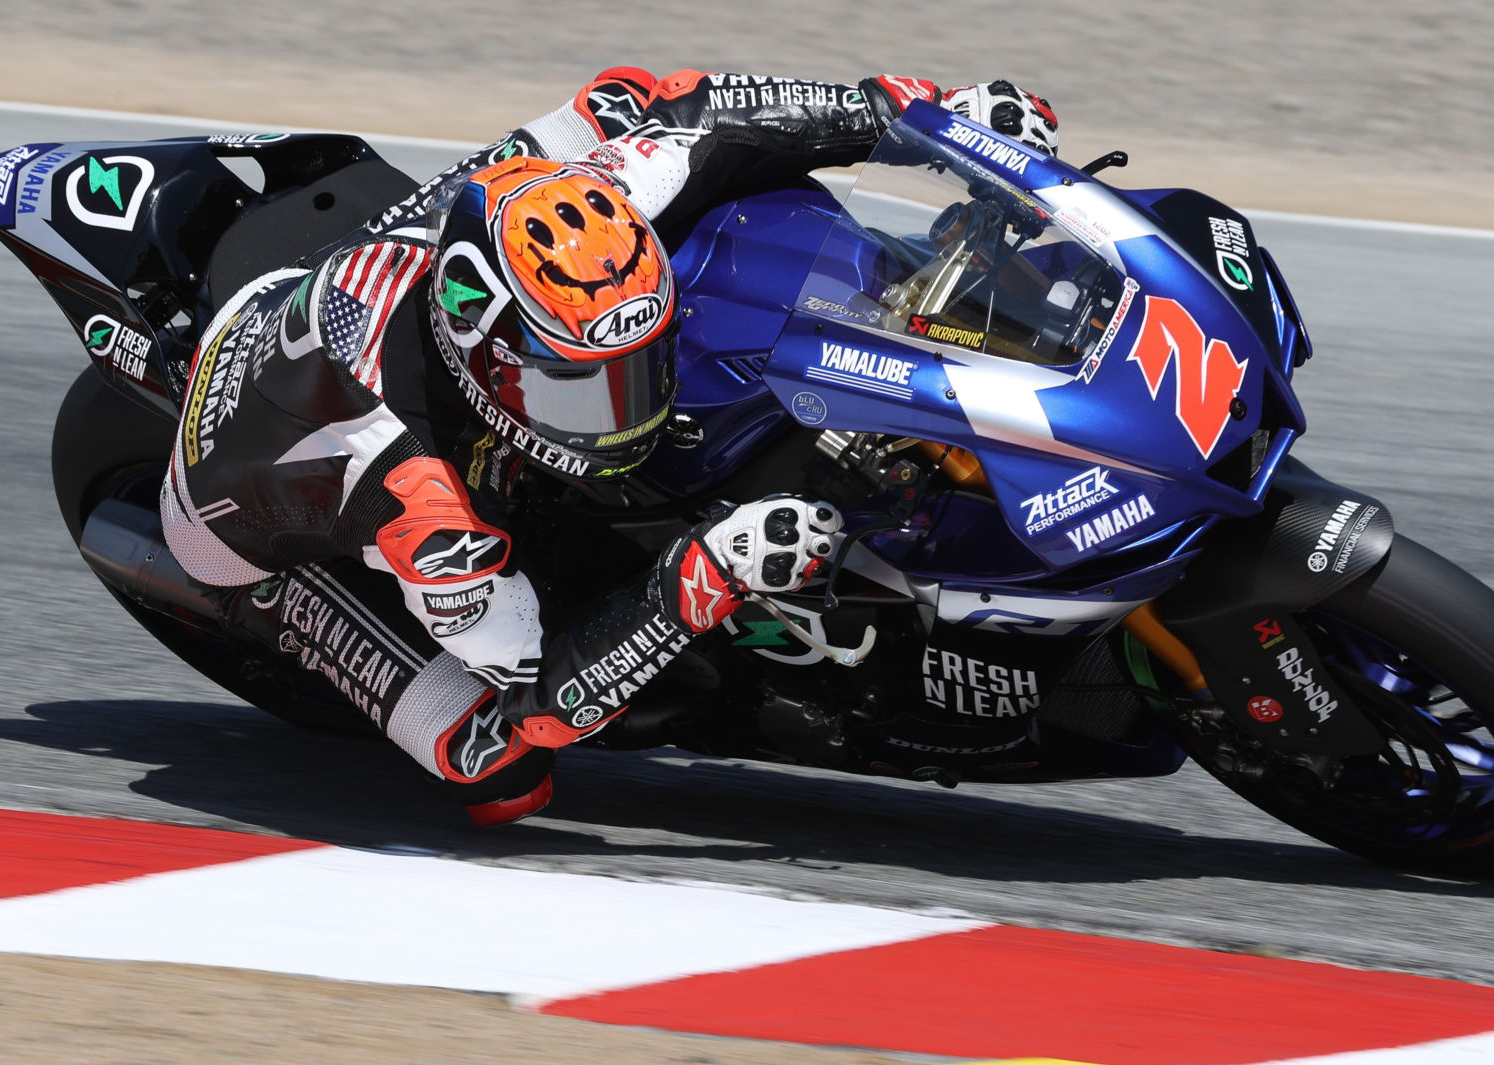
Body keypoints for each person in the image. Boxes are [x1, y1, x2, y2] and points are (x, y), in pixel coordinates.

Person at [159, 69, 1060, 825]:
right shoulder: (421, 502)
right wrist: (705, 576)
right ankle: (285, 601)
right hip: (242, 508)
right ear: (491, 356)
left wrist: (936, 120)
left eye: (636, 370)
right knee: (497, 763)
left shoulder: (591, 203)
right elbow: (541, 693)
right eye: (582, 387)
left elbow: (709, 111)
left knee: (622, 97)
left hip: (382, 276)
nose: (626, 415)